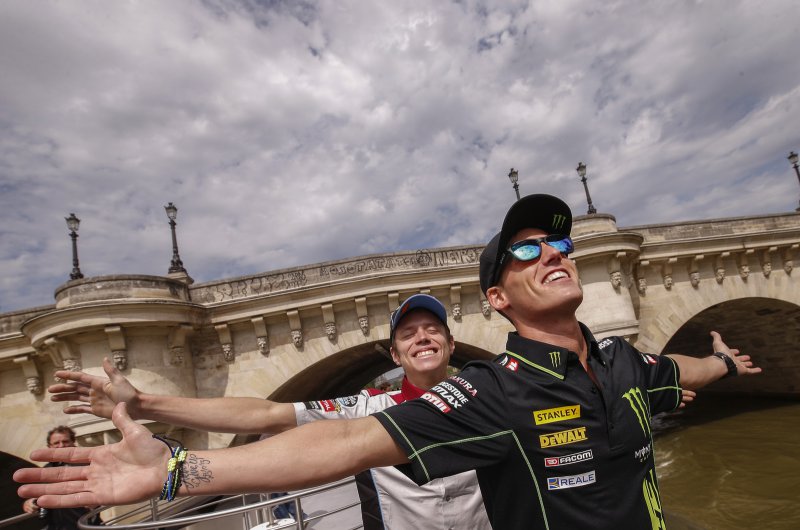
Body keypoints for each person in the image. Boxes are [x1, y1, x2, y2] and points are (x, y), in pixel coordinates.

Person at [15, 194, 760, 530]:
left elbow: (676, 371)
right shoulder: (469, 397)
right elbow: (308, 432)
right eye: (527, 249)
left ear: (453, 338)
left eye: (559, 244)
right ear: (497, 300)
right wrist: (175, 461)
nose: (425, 339)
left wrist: (722, 363)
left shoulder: (623, 361)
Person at [45, 294, 491, 530]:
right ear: (395, 355)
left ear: (451, 344)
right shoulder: (368, 407)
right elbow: (266, 415)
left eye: (432, 329)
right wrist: (144, 404)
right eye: (409, 334)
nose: (422, 337)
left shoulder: (489, 399)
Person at [20, 426, 101, 530]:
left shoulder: (87, 465)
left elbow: (103, 490)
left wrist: (96, 501)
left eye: (65, 441)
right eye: (56, 443)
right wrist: (28, 503)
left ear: (73, 442)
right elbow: (37, 494)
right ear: (49, 446)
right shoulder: (46, 470)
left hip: (85, 524)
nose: (61, 446)